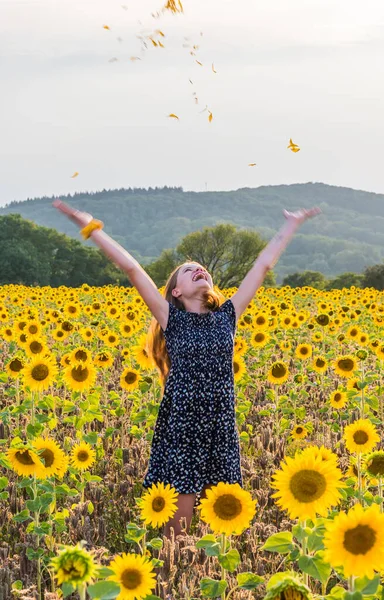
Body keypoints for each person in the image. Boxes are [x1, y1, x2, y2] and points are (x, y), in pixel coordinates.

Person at [53, 198, 321, 541]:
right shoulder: (172, 318)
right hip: (183, 424)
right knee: (176, 534)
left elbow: (263, 266)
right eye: (188, 269)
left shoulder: (228, 316)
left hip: (220, 423)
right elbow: (132, 268)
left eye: (202, 269)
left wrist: (291, 224)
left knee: (219, 525)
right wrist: (88, 223)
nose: (199, 269)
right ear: (176, 291)